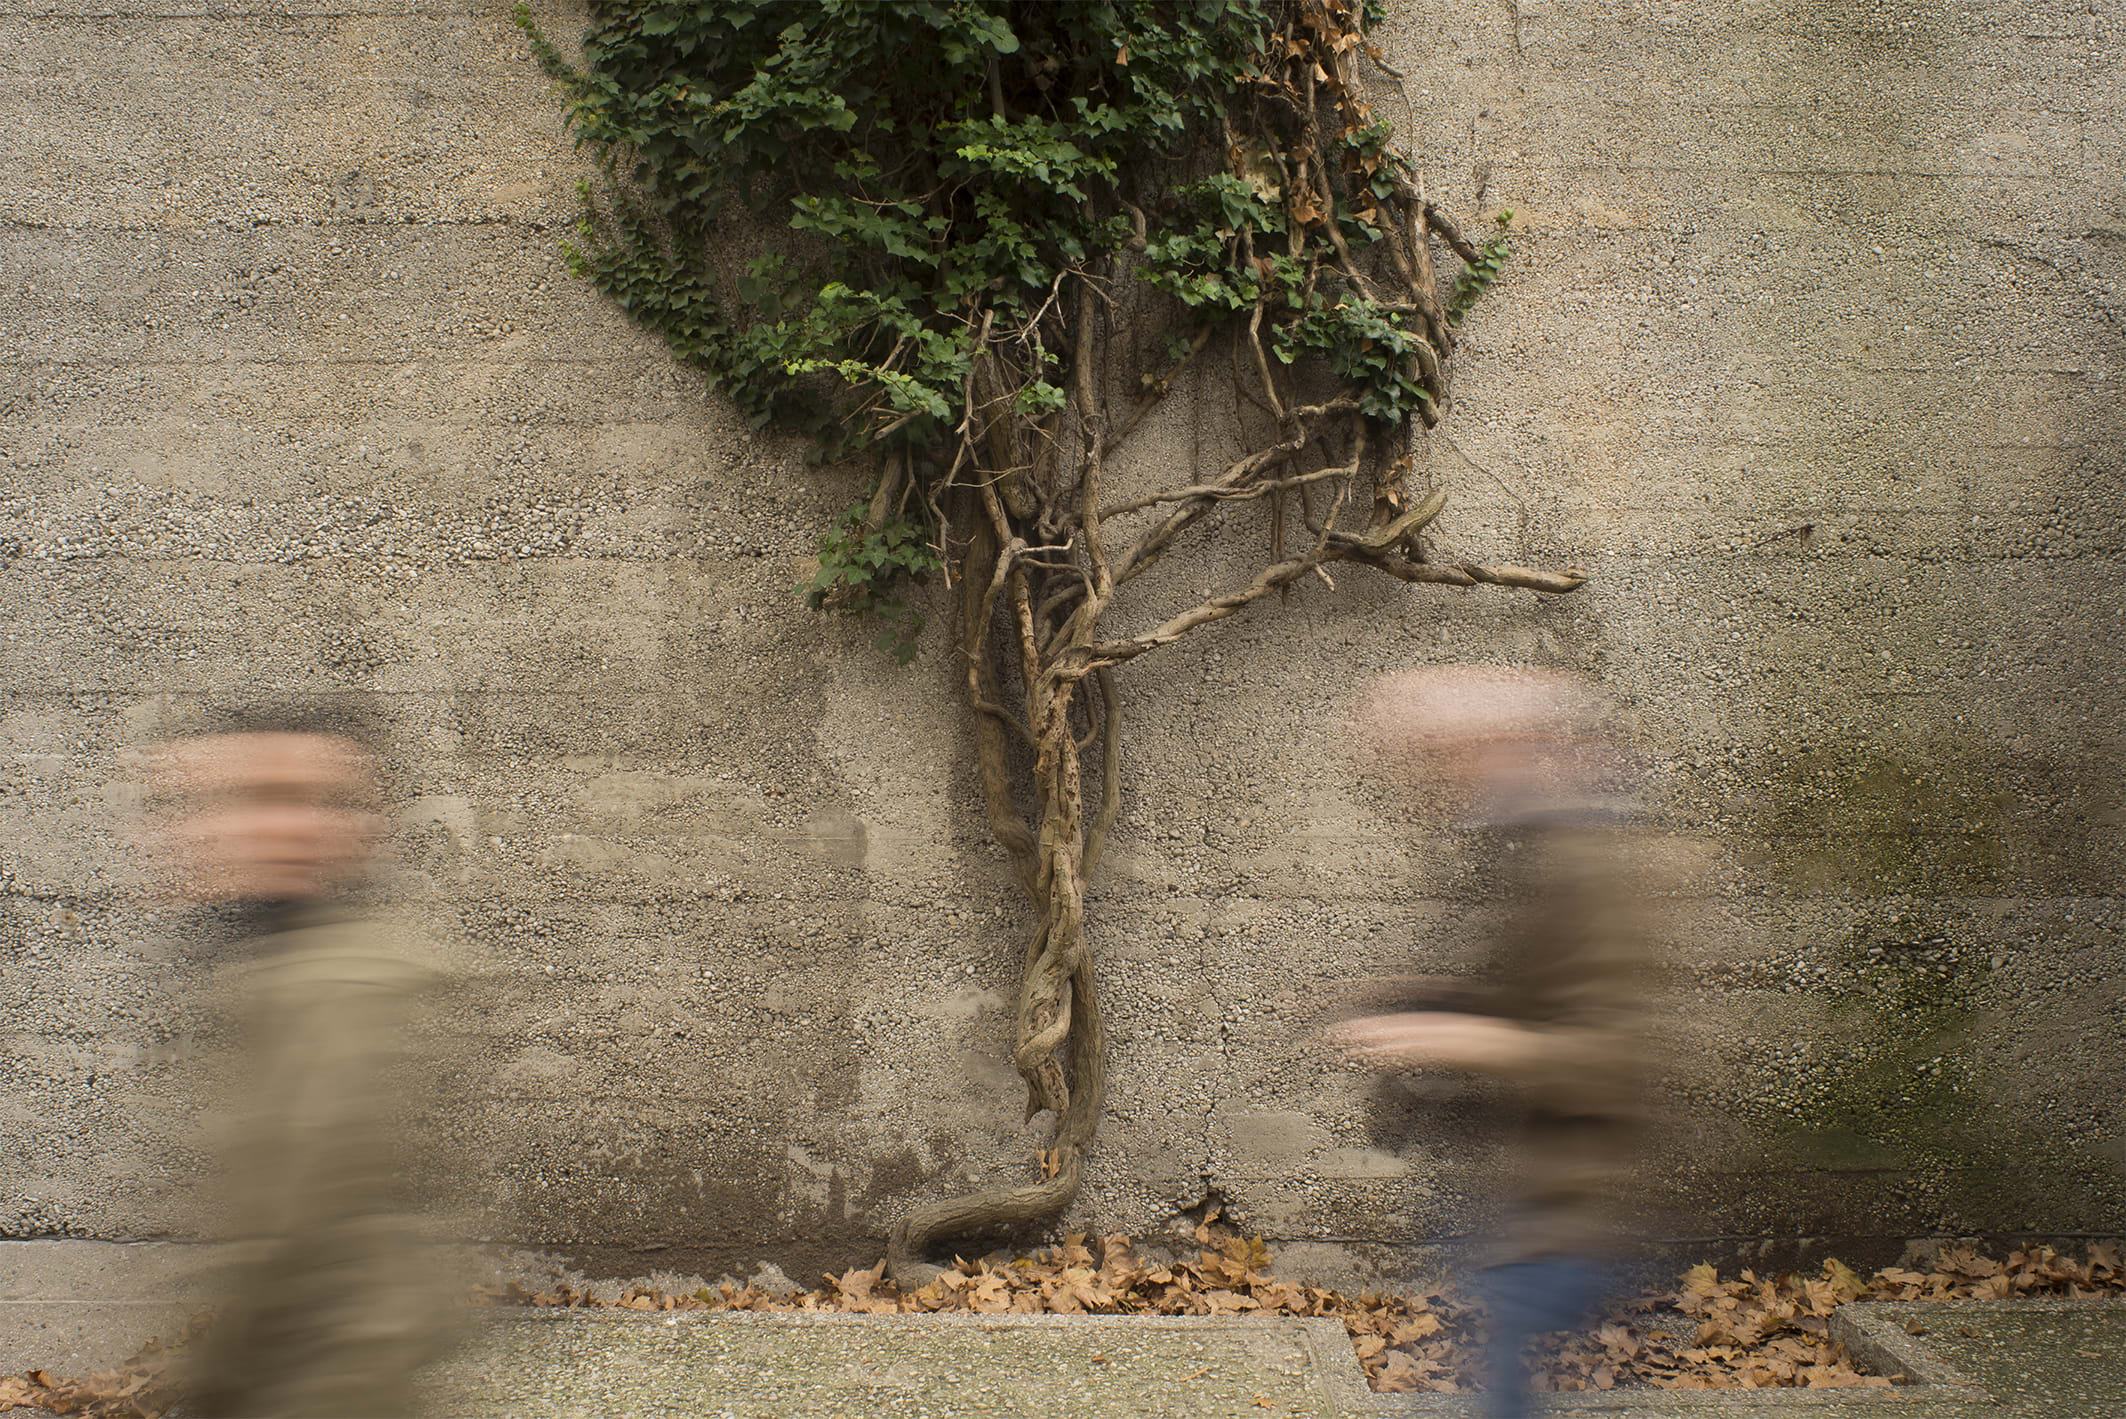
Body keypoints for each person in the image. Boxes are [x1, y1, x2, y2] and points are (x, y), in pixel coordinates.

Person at [1330, 665, 1662, 1417]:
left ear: (1520, 745)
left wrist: (1454, 1034)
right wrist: (1401, 1002)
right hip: (1509, 1186)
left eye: (1457, 753)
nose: (1442, 777)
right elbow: (1525, 995)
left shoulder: (1586, 863)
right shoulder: (1522, 848)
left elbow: (1605, 1053)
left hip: (1571, 1198)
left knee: (1505, 1371)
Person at [149, 701, 459, 1418]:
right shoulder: (254, 980)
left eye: (309, 801)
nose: (282, 829)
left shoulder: (346, 993)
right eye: (250, 801)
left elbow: (330, 1273)